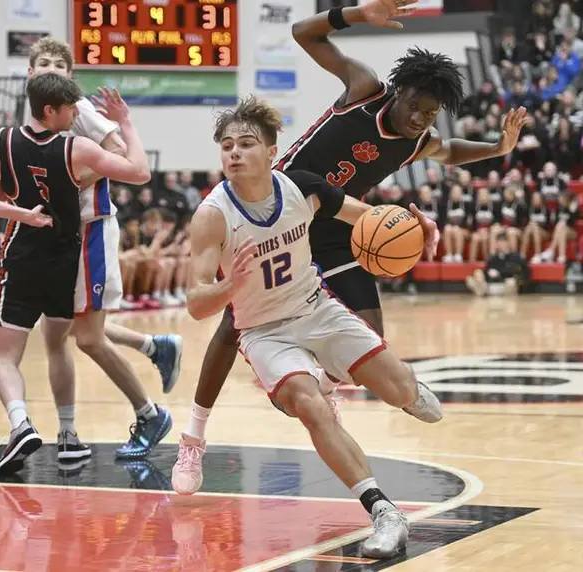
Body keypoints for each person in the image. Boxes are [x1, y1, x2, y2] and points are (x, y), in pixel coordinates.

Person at [173, 0, 528, 493]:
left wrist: (497, 148)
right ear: (398, 92)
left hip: (338, 224)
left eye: (429, 114)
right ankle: (194, 437)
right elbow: (303, 31)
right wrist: (359, 14)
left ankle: (323, 386)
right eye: (414, 106)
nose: (420, 119)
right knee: (236, 324)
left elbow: (447, 151)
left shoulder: (417, 140)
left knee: (370, 333)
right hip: (286, 208)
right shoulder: (365, 90)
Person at [174, 96, 442, 558]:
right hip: (264, 332)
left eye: (246, 144)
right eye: (227, 145)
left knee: (403, 391)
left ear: (271, 152)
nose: (234, 152)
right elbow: (196, 305)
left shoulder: (302, 187)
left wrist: (416, 228)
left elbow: (370, 218)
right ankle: (383, 511)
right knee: (310, 405)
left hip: (316, 309)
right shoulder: (212, 215)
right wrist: (228, 286)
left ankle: (400, 388)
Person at [0, 74, 153, 475]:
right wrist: (125, 123)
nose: (77, 114)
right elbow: (140, 172)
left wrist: (22, 214)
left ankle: (21, 423)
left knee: (6, 358)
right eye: (70, 108)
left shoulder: (0, 142)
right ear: (50, 110)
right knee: (59, 347)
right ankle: (67, 433)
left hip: (22, 256)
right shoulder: (78, 149)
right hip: (65, 262)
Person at [27, 37, 180, 462]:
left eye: (59, 64)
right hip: (61, 234)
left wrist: (72, 178)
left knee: (88, 337)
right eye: (44, 63)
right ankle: (153, 347)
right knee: (67, 328)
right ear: (30, 72)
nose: (51, 69)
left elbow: (120, 154)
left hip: (90, 228)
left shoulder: (78, 109)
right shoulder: (35, 119)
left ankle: (149, 413)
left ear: (70, 74)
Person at [466, 231, 529, 296]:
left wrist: (519, 285)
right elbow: (487, 270)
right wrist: (489, 272)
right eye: (499, 242)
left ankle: (483, 291)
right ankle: (483, 289)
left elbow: (522, 272)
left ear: (508, 243)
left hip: (508, 284)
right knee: (476, 274)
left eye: (503, 241)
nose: (501, 244)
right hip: (493, 283)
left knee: (511, 283)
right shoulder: (493, 258)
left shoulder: (516, 257)